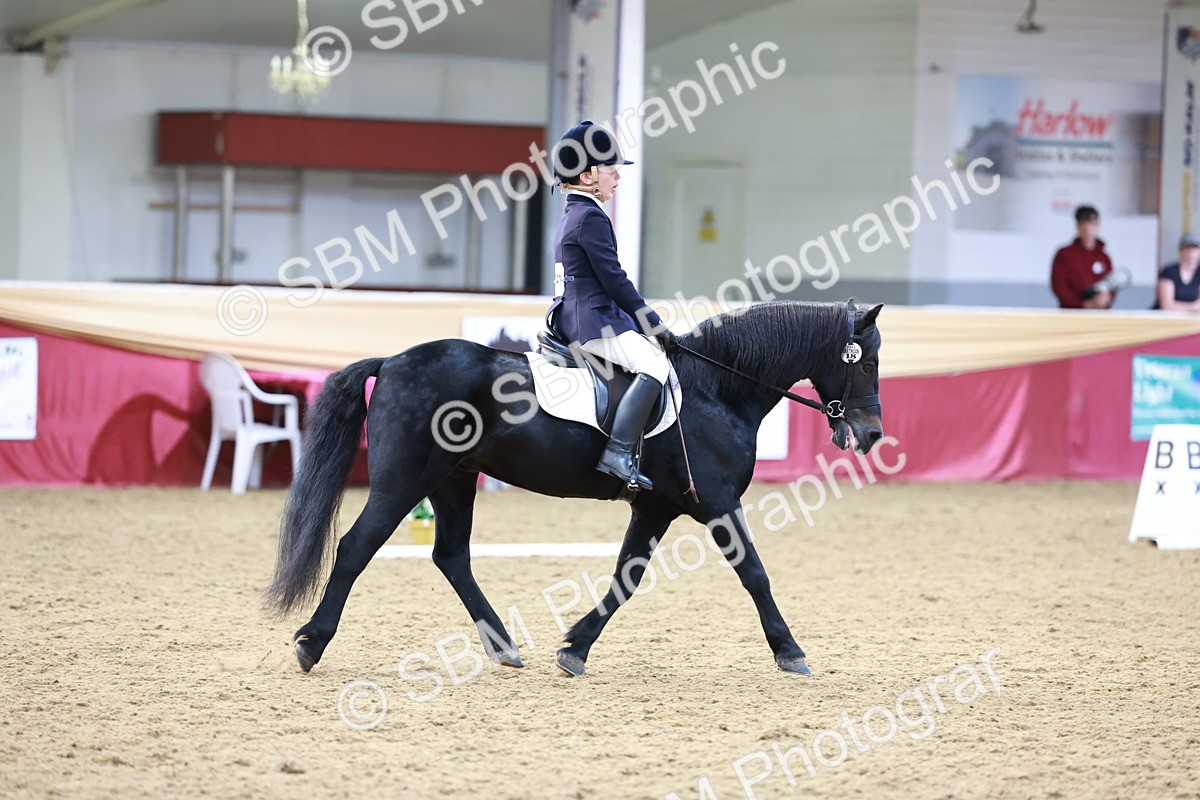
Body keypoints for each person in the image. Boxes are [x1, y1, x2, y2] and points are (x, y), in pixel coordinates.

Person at [547, 120, 675, 491]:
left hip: (576, 317)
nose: (617, 176)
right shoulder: (590, 217)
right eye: (609, 169)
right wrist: (651, 323)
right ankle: (618, 453)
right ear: (587, 176)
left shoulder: (573, 212)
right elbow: (614, 280)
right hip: (592, 323)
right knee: (654, 364)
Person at [1051, 205, 1116, 309]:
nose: (1088, 228)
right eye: (1083, 223)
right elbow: (1060, 287)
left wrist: (1106, 298)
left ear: (1098, 225)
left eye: (1091, 223)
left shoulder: (1104, 257)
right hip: (1072, 314)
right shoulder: (1064, 254)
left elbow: (1112, 285)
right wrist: (1083, 304)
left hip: (1100, 314)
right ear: (1077, 226)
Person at [1154, 233, 1200, 312]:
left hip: (1192, 321)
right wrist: (1193, 307)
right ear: (1180, 250)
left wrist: (1178, 306)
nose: (1191, 251)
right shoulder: (1169, 272)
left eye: (1195, 247)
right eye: (1187, 247)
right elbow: (1167, 306)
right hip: (1166, 320)